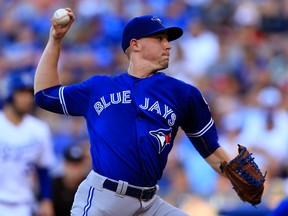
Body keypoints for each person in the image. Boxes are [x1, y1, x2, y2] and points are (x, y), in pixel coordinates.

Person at [34, 8, 232, 216]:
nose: (168, 45)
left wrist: (238, 177)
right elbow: (44, 95)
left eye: (167, 39)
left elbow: (210, 148)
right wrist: (55, 39)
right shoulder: (99, 87)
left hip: (149, 204)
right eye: (159, 38)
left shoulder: (183, 93)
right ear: (135, 44)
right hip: (104, 199)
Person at [0, 72, 55, 216]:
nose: (27, 99)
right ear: (9, 94)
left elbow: (44, 168)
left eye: (29, 93)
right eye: (21, 93)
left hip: (24, 204)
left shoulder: (39, 129)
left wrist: (46, 200)